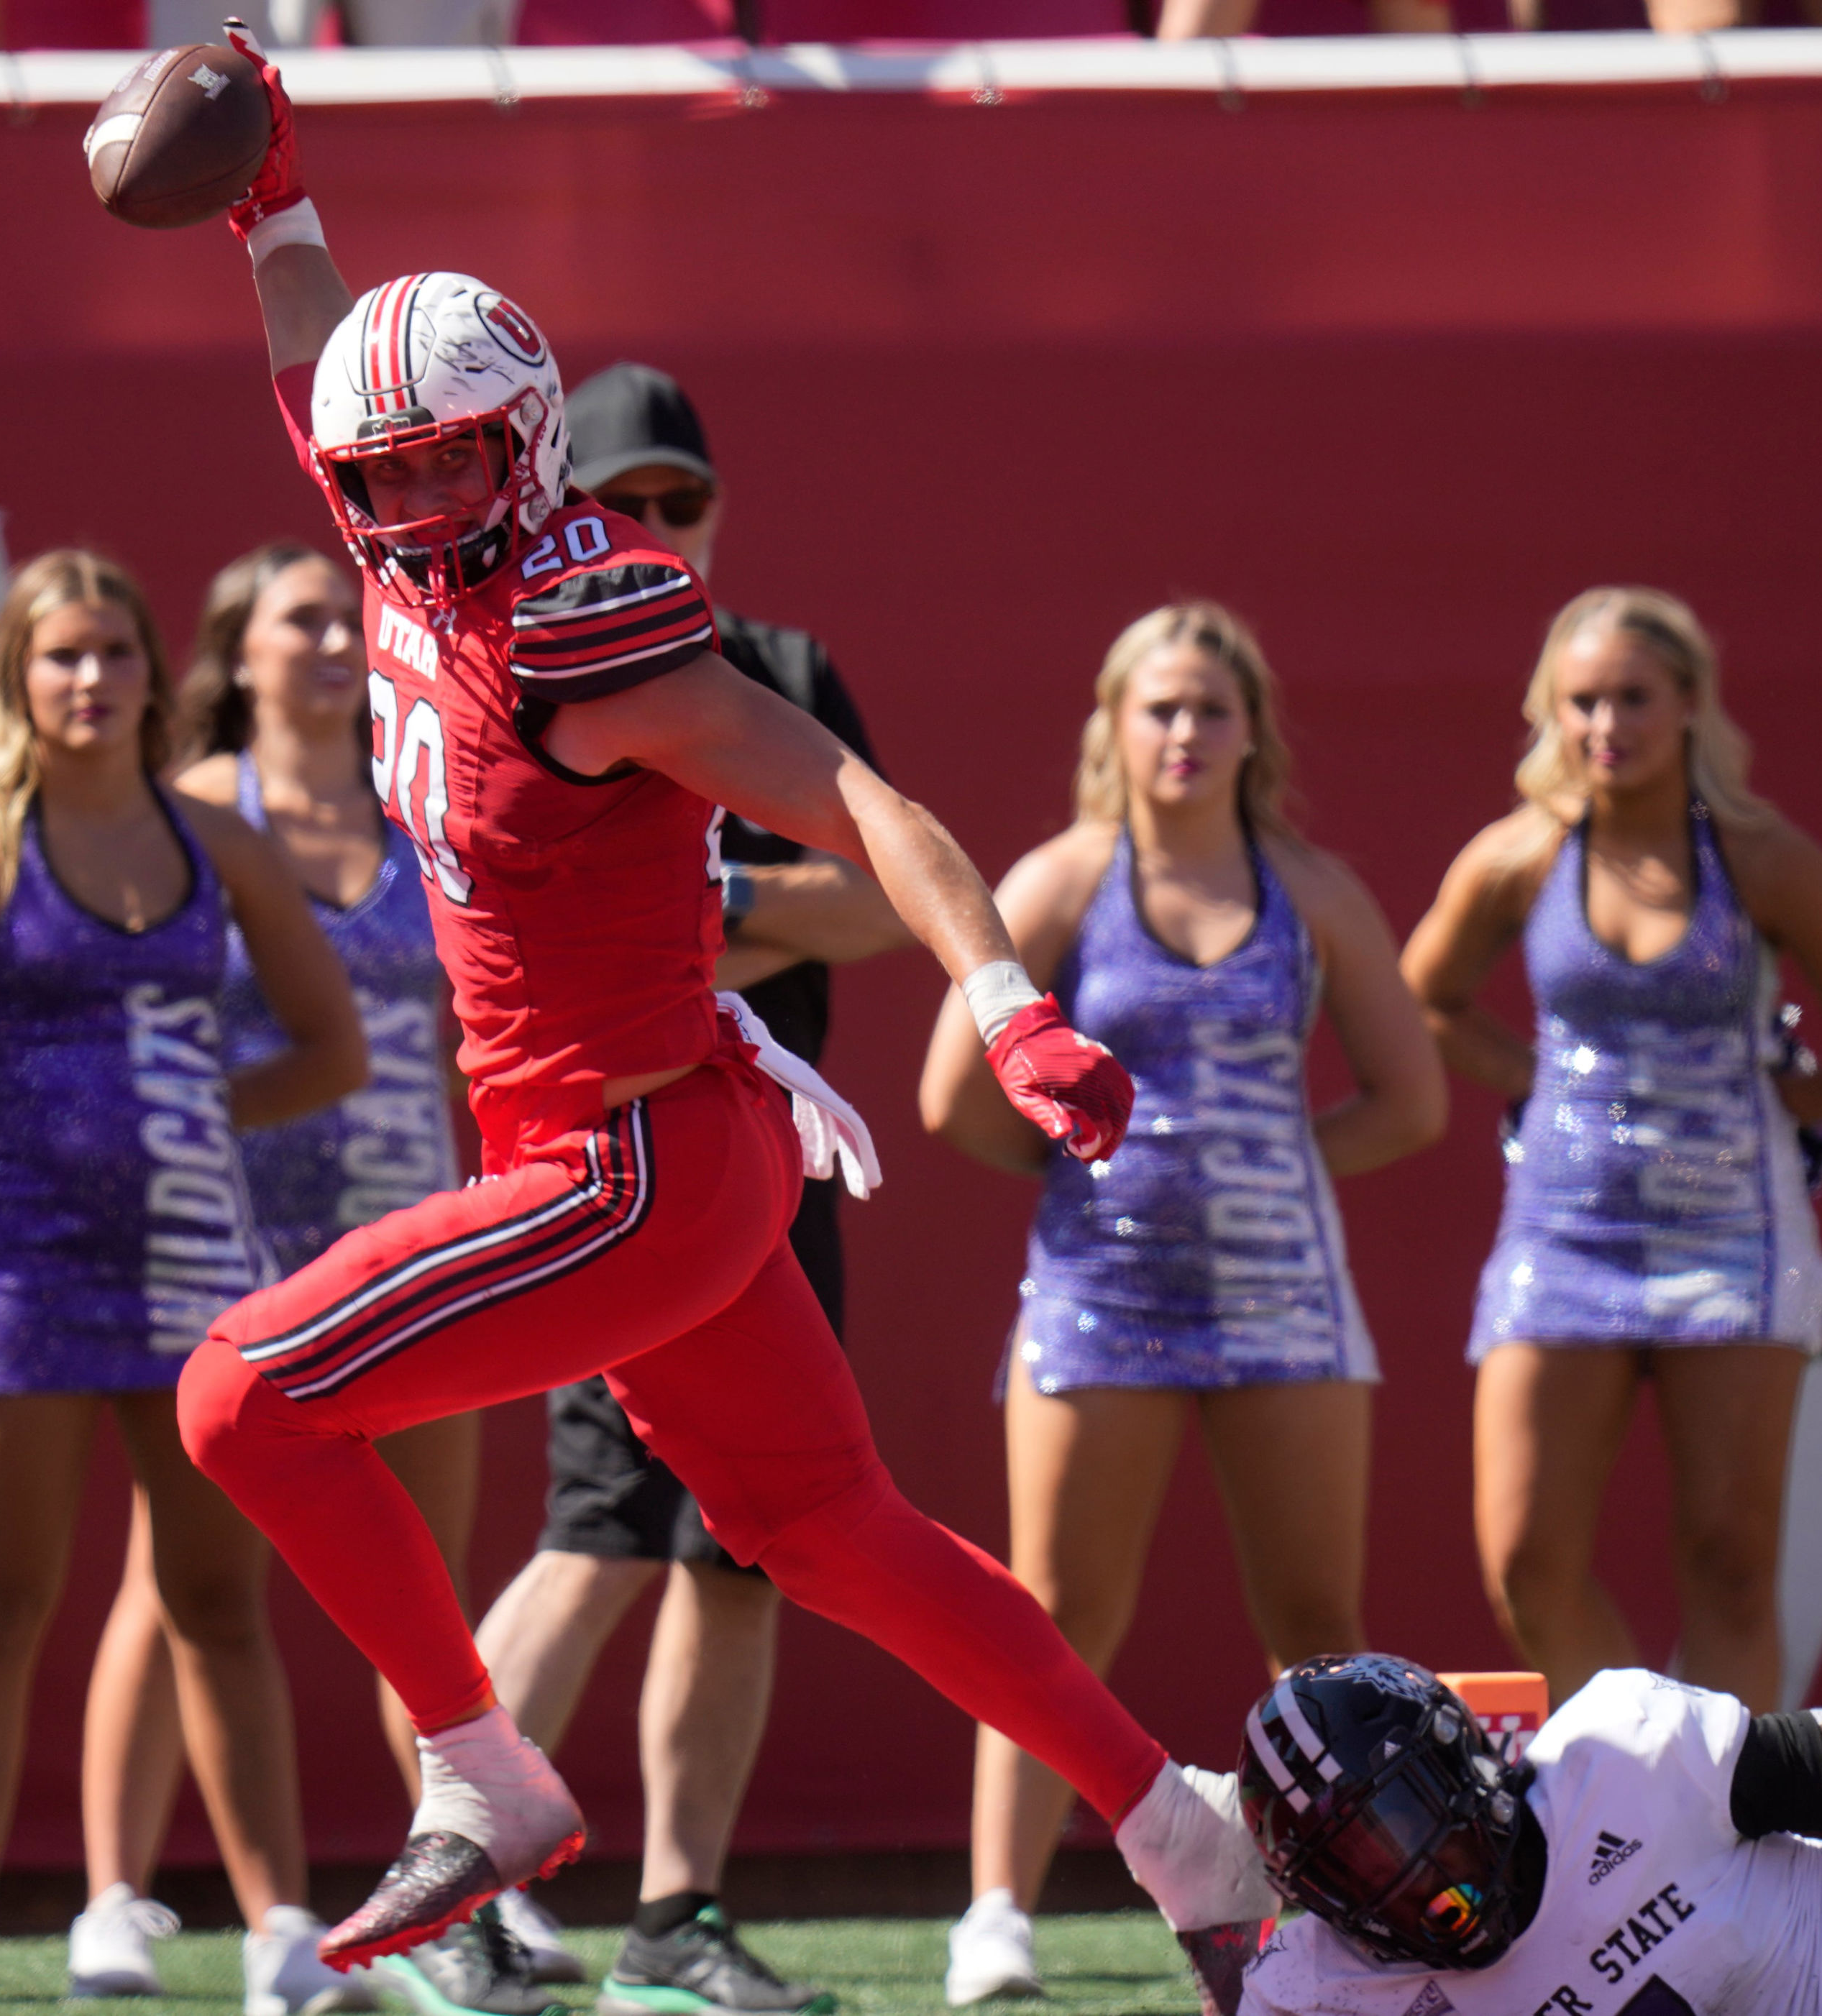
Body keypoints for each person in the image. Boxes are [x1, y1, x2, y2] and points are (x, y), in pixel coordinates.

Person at [162, 36, 1276, 1982]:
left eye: (445, 461)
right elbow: (316, 354)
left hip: (633, 1161)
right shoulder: (383, 522)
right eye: (381, 473)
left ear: (527, 443)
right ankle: (1181, 1830)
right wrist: (270, 200)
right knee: (835, 1533)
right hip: (630, 1147)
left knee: (240, 1396)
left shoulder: (588, 639)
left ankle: (479, 1769)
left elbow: (857, 800)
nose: (413, 501)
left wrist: (1005, 1001)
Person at [0, 548, 370, 2016]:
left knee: (217, 1603)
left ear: (152, 676)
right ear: (17, 680)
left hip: (195, 1269)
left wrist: (181, 1110)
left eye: (116, 652)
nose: (93, 678)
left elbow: (333, 1046)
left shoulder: (219, 847)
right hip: (16, 1263)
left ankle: (283, 1938)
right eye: (62, 656)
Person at [462, 359, 910, 2016]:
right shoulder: (525, 665)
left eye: (680, 502)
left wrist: (709, 911)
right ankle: (461, 1892)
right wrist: (756, 900)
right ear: (561, 505)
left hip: (766, 1167)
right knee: (596, 1531)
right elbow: (541, 931)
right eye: (620, 500)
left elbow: (878, 900)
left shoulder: (780, 670)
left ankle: (674, 1920)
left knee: (746, 1549)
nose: (652, 528)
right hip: (605, 1164)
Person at [916, 602, 1445, 2007]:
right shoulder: (1060, 881)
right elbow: (950, 1095)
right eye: (1159, 707)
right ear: (1113, 725)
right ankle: (996, 1919)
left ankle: (1337, 1912)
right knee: (1052, 1612)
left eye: (1212, 708)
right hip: (1097, 1300)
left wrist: (1268, 1165)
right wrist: (1097, 1172)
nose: (1186, 733)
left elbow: (1414, 1098)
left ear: (1253, 730)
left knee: (1318, 1624)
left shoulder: (1314, 889)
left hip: (1290, 1307)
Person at [65, 540, 475, 2008]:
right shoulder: (186, 824)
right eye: (300, 619)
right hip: (224, 1249)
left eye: (348, 621)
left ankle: (463, 1904)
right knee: (178, 1579)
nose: (330, 643)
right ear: (235, 651)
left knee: (420, 1590)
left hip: (418, 1248)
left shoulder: (422, 813)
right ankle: (114, 1898)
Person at [1400, 587, 1822, 1716]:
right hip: (1561, 1236)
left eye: (1632, 698)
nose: (1606, 725)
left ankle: (1724, 1824)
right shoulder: (1521, 856)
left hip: (1734, 1242)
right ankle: (1647, 1770)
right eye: (1581, 701)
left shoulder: (1762, 859)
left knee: (1732, 1560)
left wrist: (1776, 1109)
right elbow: (1425, 998)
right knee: (1522, 1559)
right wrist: (1540, 1084)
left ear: (1688, 704)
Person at [1218, 1651, 1822, 2016]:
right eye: (1353, 1866)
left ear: (1473, 1766)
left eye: (1398, 1826)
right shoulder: (1315, 1991)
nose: (1411, 1883)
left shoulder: (1625, 1755)